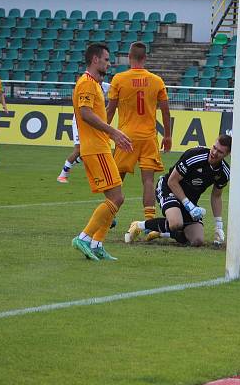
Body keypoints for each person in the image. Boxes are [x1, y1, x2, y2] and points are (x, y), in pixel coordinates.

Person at [71, 43, 133, 261]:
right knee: (117, 197)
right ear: (95, 59)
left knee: (115, 198)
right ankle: (84, 237)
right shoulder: (87, 83)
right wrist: (113, 132)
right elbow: (85, 113)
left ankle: (97, 244)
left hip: (98, 147)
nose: (109, 62)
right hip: (96, 148)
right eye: (106, 59)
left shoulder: (94, 84)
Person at [105, 42, 172, 221]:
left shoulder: (119, 79)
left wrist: (103, 131)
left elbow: (110, 110)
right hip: (149, 137)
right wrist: (167, 135)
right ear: (145, 58)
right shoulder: (157, 81)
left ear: (129, 57)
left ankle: (109, 215)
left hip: (125, 136)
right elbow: (166, 110)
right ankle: (149, 221)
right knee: (148, 181)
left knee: (116, 178)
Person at [125, 134, 230, 247]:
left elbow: (216, 196)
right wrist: (189, 206)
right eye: (214, 147)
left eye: (220, 152)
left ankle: (163, 233)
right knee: (176, 223)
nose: (214, 153)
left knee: (197, 240)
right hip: (169, 188)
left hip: (189, 200)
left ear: (227, 155)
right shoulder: (195, 156)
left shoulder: (224, 172)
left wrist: (219, 226)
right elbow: (172, 181)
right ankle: (139, 225)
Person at [56, 79, 111, 183]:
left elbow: (117, 92)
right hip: (80, 121)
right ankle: (63, 175)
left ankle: (100, 175)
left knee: (93, 147)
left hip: (94, 121)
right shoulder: (86, 85)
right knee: (79, 149)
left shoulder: (104, 86)